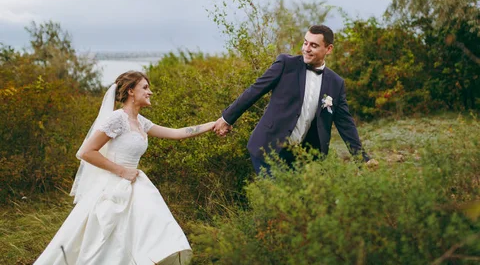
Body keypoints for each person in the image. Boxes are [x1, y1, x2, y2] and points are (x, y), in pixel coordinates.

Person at [34, 71, 216, 265]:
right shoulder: (117, 119)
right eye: (145, 88)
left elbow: (177, 133)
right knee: (106, 242)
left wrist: (214, 124)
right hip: (113, 186)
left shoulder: (141, 122)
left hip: (136, 186)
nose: (150, 92)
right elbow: (86, 152)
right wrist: (121, 171)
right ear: (130, 91)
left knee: (149, 231)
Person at [214, 25, 376, 174]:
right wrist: (227, 118)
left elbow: (345, 124)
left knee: (299, 202)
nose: (306, 49)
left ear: (329, 49)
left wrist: (362, 159)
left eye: (314, 45)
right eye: (305, 43)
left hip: (301, 157)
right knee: (278, 199)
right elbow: (255, 90)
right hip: (267, 148)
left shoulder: (336, 83)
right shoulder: (286, 64)